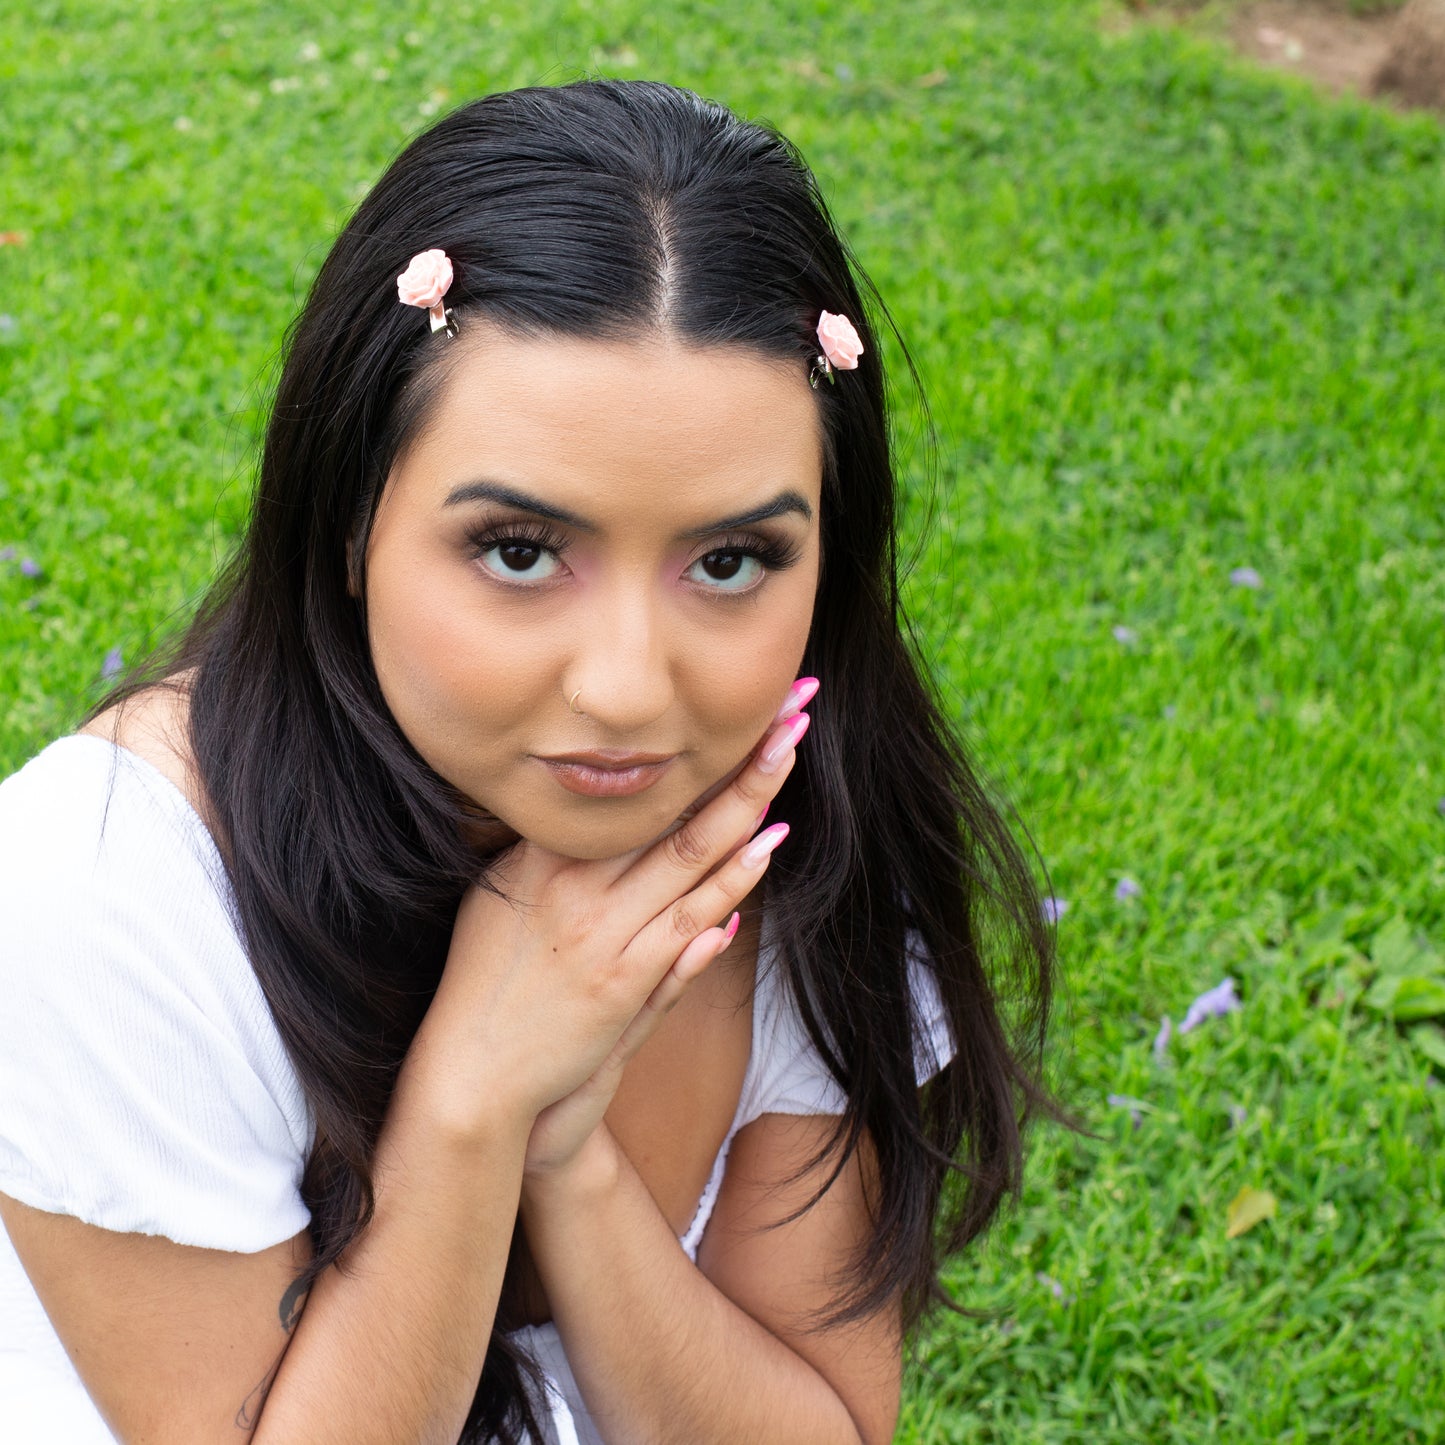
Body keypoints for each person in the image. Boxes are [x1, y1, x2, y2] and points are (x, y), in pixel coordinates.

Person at [0, 78, 1057, 1444]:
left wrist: (570, 1160)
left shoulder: (798, 832)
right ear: (348, 524)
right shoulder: (109, 893)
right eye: (517, 550)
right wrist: (472, 1097)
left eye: (729, 560)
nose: (626, 687)